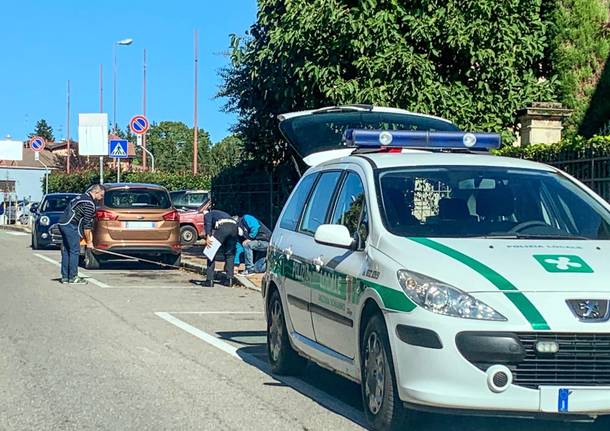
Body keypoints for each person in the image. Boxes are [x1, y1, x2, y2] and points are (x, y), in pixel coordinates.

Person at [57, 184, 105, 284]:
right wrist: (89, 242)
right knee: (75, 251)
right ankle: (73, 277)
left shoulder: (82, 197)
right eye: (101, 195)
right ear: (96, 192)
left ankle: (65, 277)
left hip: (62, 223)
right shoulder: (89, 204)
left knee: (67, 250)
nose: (101, 198)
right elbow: (87, 226)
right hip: (70, 225)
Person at [201, 209, 239, 287]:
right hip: (235, 227)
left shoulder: (208, 214)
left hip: (223, 227)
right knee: (230, 254)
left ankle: (209, 280)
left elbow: (208, 223)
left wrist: (208, 236)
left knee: (210, 252)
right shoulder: (221, 213)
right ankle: (229, 280)